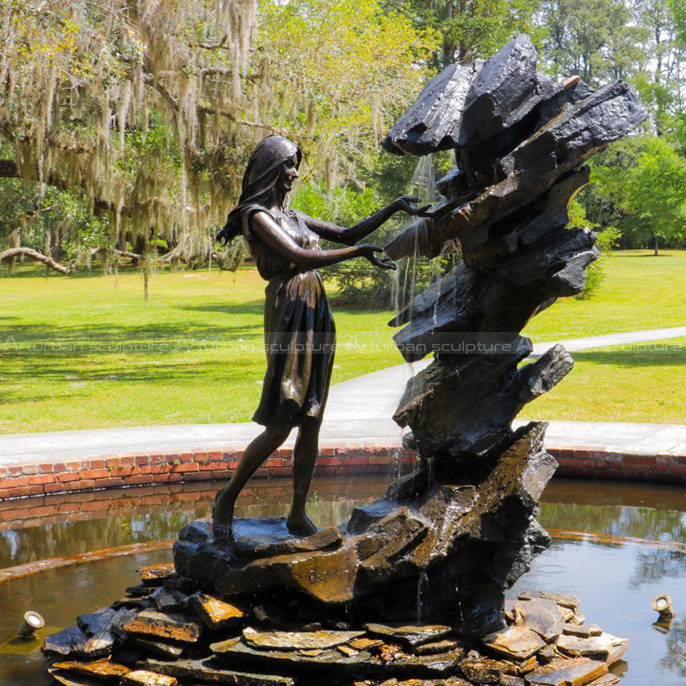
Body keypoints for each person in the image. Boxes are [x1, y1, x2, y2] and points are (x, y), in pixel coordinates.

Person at [213, 134, 428, 539]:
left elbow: (345, 234)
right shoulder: (256, 216)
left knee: (312, 418)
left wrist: (393, 208)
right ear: (271, 168)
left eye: (296, 165)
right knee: (281, 421)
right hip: (288, 306)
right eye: (289, 165)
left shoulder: (295, 217)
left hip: (315, 307)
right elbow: (301, 258)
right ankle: (226, 498)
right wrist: (360, 253)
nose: (294, 173)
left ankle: (297, 512)